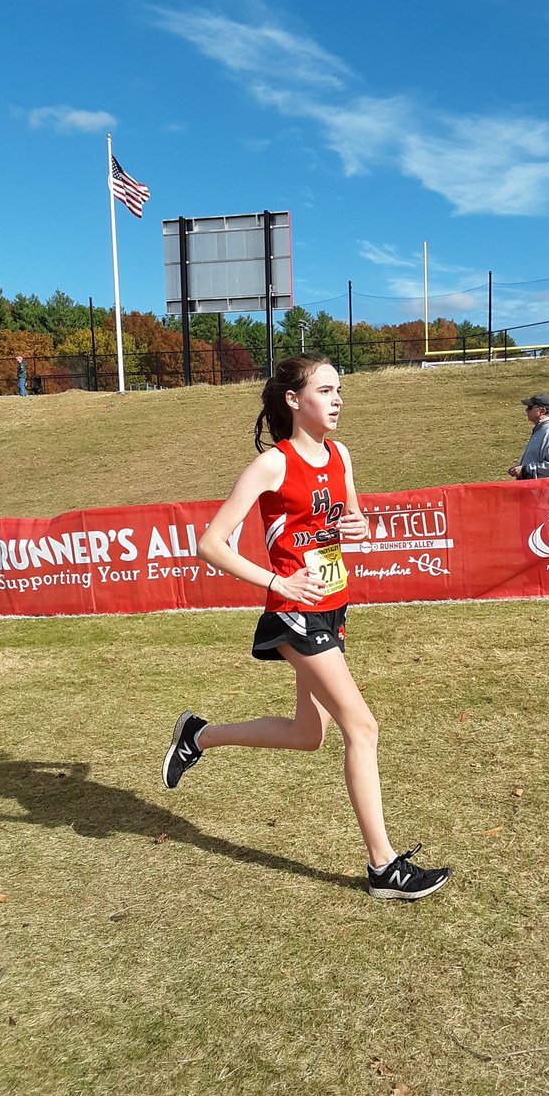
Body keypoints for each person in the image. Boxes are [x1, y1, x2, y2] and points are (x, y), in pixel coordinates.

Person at [161, 353, 451, 903]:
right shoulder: (273, 464)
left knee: (307, 734)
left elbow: (351, 522)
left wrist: (359, 526)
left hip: (333, 605)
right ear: (294, 400)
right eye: (325, 390)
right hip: (294, 611)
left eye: (340, 390)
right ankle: (383, 867)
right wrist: (279, 583)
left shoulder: (341, 455)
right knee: (362, 728)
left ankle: (198, 734)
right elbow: (210, 544)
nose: (337, 399)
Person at [508, 392, 549, 479]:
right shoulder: (541, 430)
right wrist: (521, 469)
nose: (526, 410)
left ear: (542, 411)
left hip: (545, 487)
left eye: (530, 407)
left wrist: (525, 470)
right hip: (534, 486)